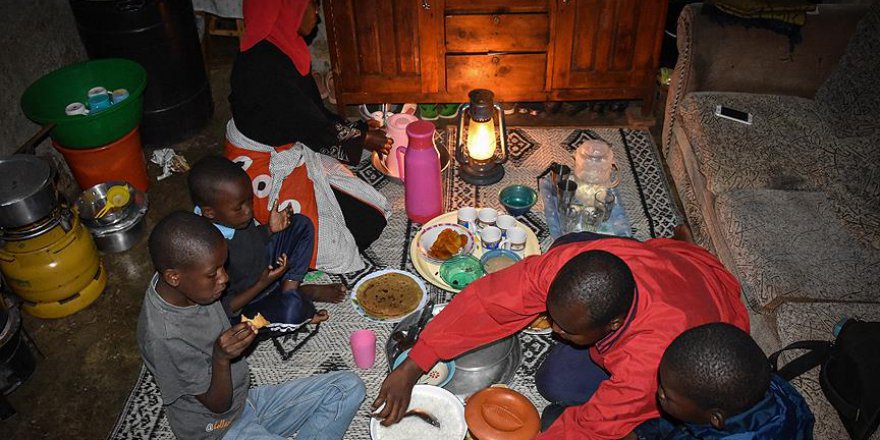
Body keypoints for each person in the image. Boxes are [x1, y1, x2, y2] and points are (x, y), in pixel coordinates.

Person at [373, 231, 749, 439]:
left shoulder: (654, 365)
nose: (553, 331)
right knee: (569, 245)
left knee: (558, 393)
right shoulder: (564, 270)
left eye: (567, 330)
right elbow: (489, 303)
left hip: (706, 320)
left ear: (613, 326)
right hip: (671, 264)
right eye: (552, 317)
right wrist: (414, 364)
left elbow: (592, 427)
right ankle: (581, 243)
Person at [136, 212, 365, 439]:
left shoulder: (191, 283)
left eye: (223, 267)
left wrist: (262, 283)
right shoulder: (165, 338)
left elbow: (228, 308)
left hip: (246, 403)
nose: (224, 278)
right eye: (213, 274)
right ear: (173, 277)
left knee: (348, 388)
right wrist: (221, 358)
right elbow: (218, 405)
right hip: (218, 429)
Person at [228, 0, 392, 273]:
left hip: (290, 140)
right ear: (286, 10)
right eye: (310, 6)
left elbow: (310, 114)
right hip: (267, 162)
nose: (316, 15)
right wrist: (362, 138)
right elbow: (312, 128)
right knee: (362, 228)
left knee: (370, 210)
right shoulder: (265, 70)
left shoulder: (280, 47)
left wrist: (359, 133)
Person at [188, 156, 346, 328]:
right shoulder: (205, 249)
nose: (249, 212)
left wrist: (269, 229)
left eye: (249, 201)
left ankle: (290, 289)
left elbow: (250, 241)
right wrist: (262, 283)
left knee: (301, 224)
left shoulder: (230, 217)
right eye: (239, 207)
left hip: (265, 267)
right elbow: (226, 308)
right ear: (210, 213)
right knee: (291, 312)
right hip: (249, 301)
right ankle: (297, 297)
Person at [634, 323, 814, 439]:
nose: (659, 392)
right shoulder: (754, 387)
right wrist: (642, 433)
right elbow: (689, 422)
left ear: (716, 418)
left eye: (667, 396)